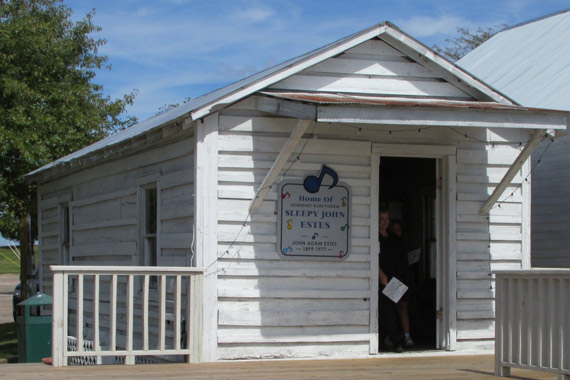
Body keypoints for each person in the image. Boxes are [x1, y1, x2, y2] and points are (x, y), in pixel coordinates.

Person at [378, 209, 407, 352]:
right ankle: (392, 339)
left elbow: (399, 258)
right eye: (382, 219)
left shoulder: (392, 238)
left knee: (395, 310)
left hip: (394, 278)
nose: (385, 222)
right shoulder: (375, 237)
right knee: (385, 310)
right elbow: (374, 257)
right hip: (382, 279)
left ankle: (397, 339)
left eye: (387, 219)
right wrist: (381, 275)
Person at [390, 219, 414, 348]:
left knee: (404, 307)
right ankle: (393, 336)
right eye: (394, 230)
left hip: (405, 277)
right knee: (394, 308)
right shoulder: (389, 244)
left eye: (399, 230)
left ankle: (406, 335)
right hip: (394, 278)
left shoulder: (404, 244)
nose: (397, 233)